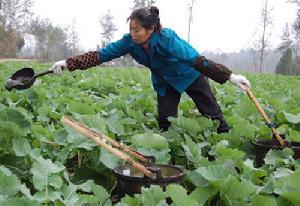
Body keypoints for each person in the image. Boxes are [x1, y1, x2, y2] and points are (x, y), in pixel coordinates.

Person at [50, 6, 250, 133]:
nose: (133, 34)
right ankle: (168, 152)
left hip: (189, 75)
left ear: (150, 29)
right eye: (131, 29)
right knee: (165, 121)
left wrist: (230, 76)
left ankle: (224, 138)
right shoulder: (129, 43)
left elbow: (197, 60)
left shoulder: (168, 39)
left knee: (211, 112)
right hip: (165, 81)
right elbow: (101, 55)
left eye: (137, 30)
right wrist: (67, 64)